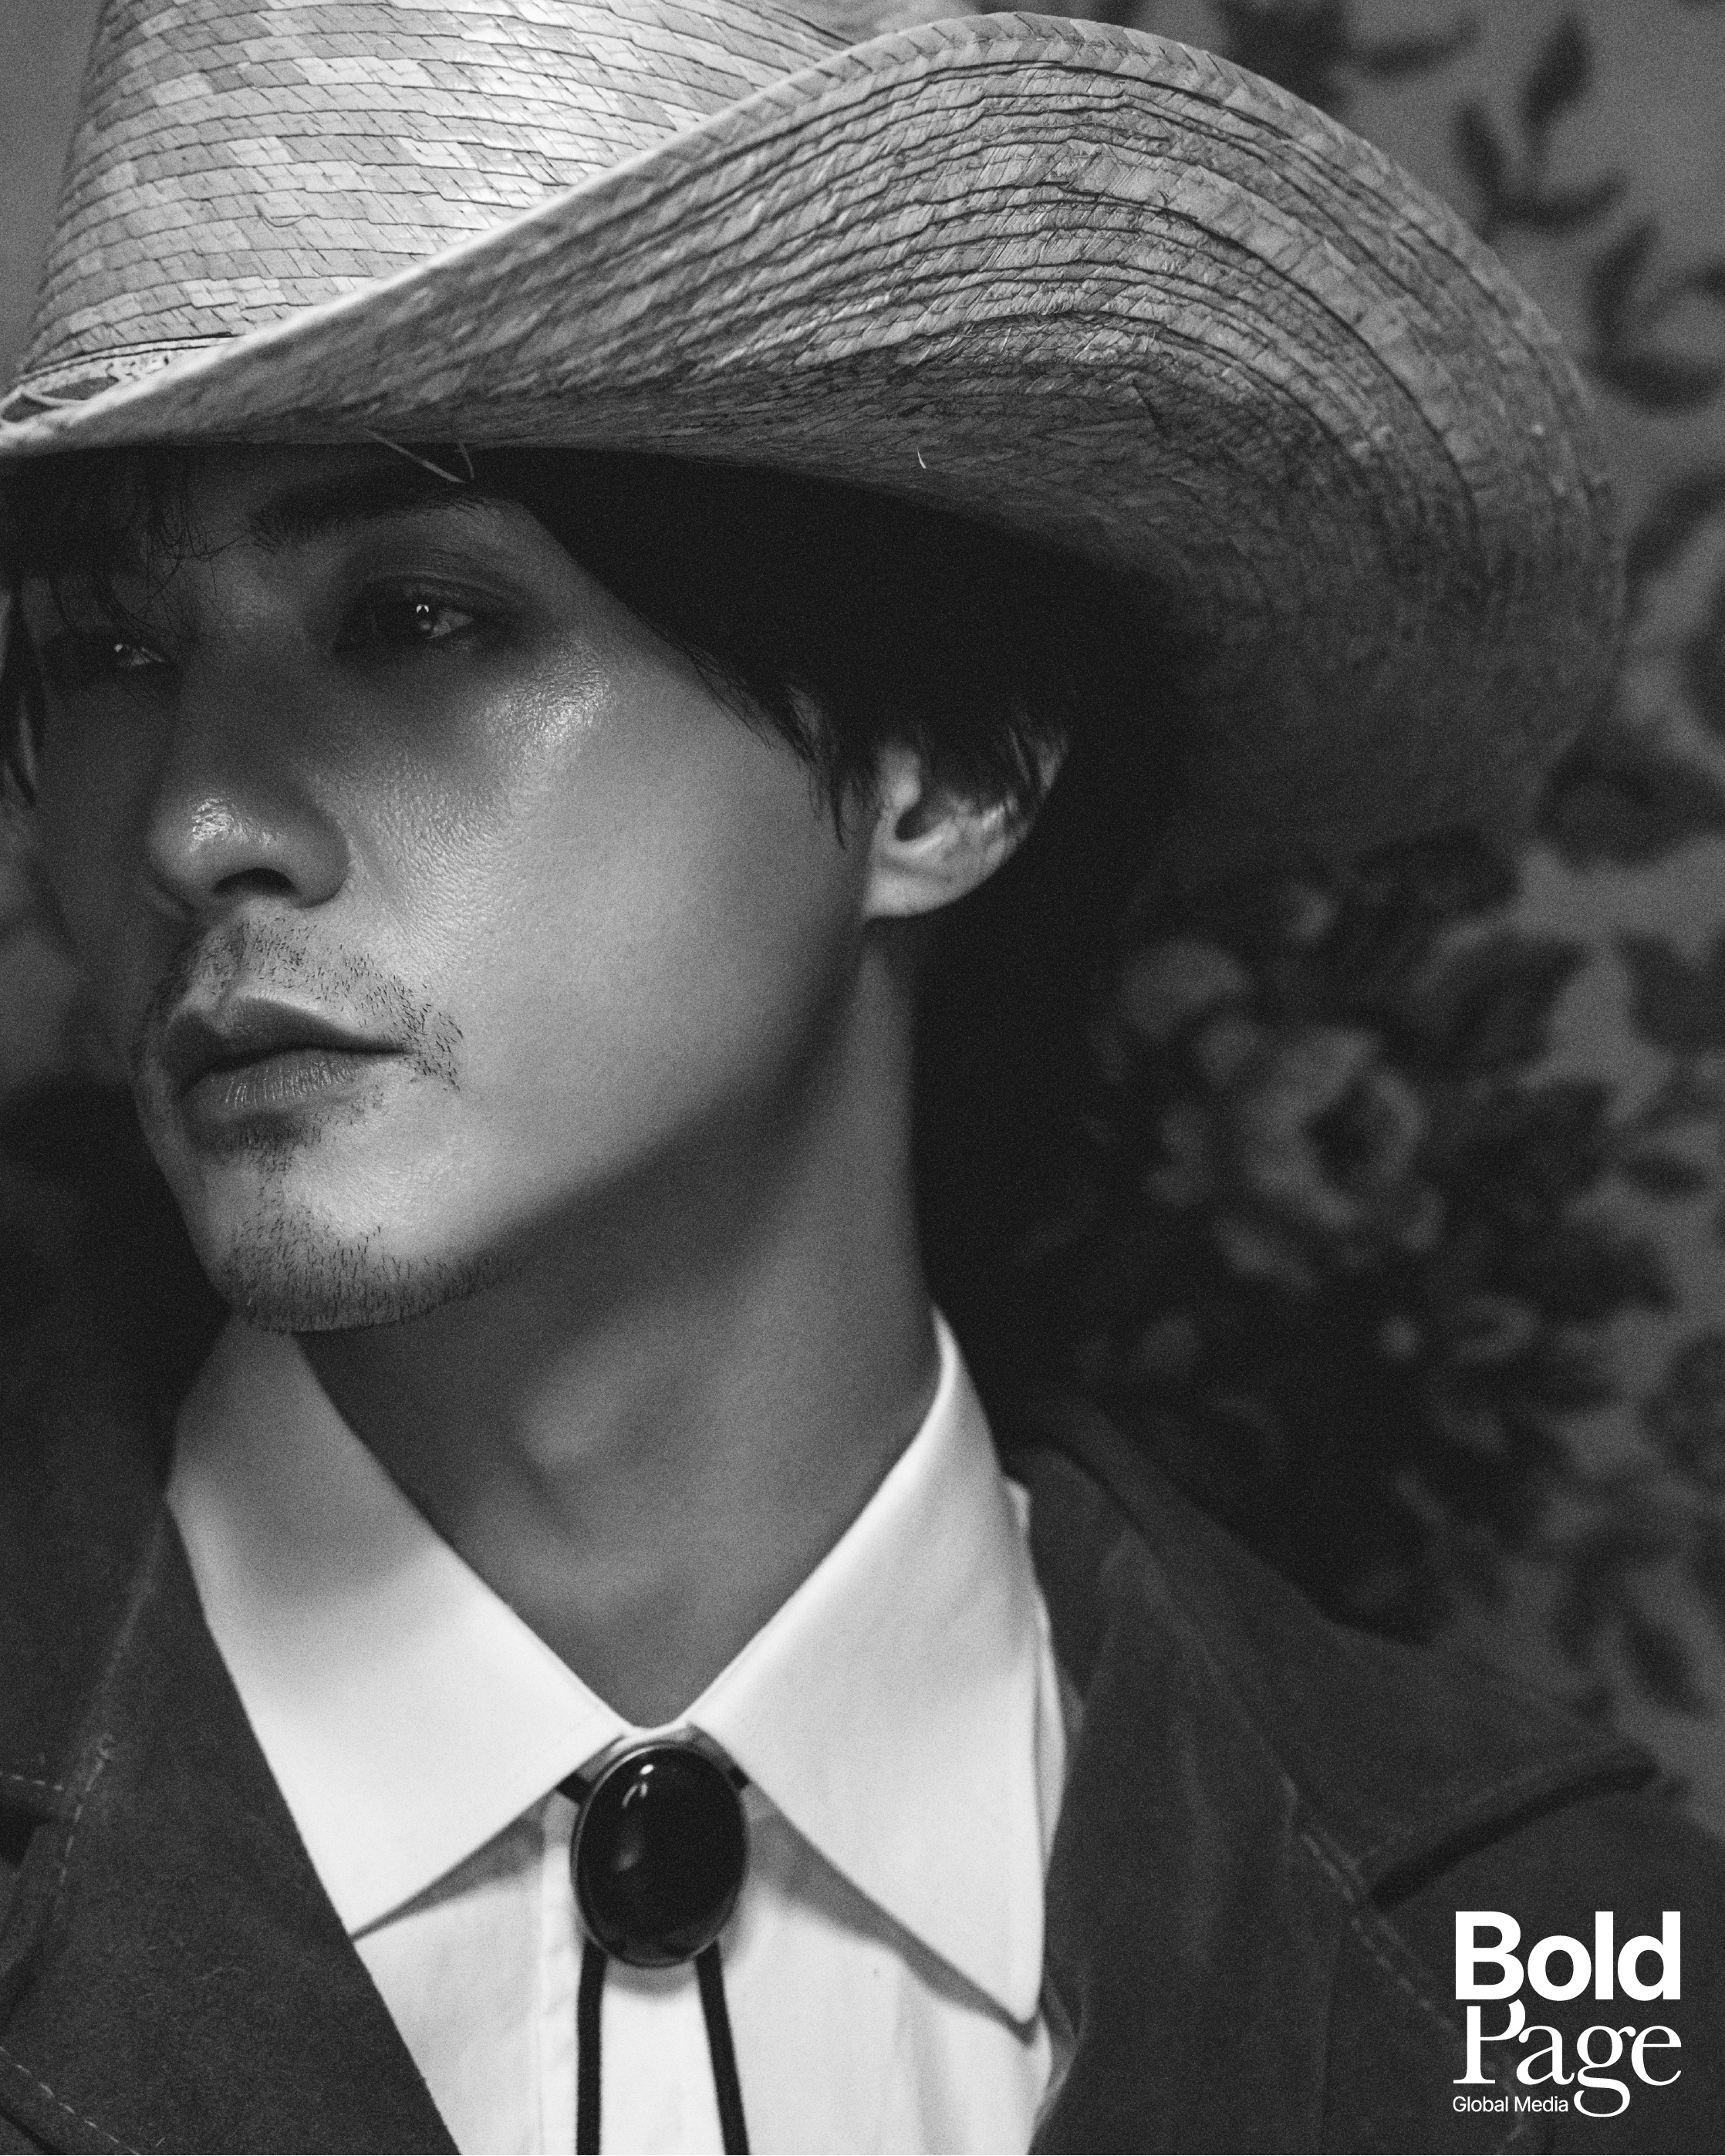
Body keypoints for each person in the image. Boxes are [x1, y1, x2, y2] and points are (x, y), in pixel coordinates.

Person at [0, 2, 1720, 2152]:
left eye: (421, 619)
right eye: (105, 656)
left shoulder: (1542, 1956)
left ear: (942, 769)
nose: (193, 826)